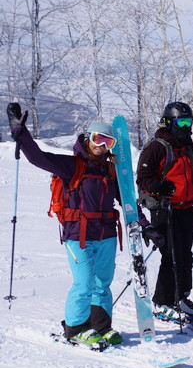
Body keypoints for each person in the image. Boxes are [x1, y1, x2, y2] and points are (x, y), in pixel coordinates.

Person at [6, 103, 155, 347]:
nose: (102, 145)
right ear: (88, 138)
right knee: (84, 283)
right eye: (98, 139)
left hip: (106, 234)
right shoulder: (72, 165)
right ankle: (75, 328)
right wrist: (20, 132)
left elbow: (128, 201)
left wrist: (145, 225)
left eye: (108, 142)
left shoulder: (110, 170)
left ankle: (100, 326)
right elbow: (37, 157)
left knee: (102, 284)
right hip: (79, 234)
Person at [136, 102, 193, 319]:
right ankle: (162, 302)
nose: (186, 126)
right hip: (165, 209)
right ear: (168, 122)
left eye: (188, 121)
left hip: (186, 208)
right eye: (181, 122)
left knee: (186, 256)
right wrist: (159, 187)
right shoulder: (156, 146)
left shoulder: (187, 146)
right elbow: (143, 178)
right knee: (170, 256)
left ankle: (181, 296)